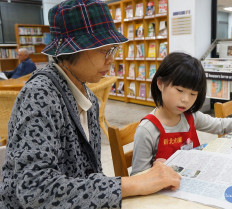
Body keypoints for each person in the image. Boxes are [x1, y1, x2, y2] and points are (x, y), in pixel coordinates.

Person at [0, 1, 180, 208]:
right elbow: (35, 190)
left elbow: (90, 175)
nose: (111, 60)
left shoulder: (88, 97)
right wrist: (132, 183)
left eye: (113, 49)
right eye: (104, 50)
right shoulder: (39, 95)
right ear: (72, 51)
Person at [131, 52, 232, 175]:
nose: (185, 100)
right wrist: (156, 171)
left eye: (193, 94)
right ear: (160, 83)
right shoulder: (147, 130)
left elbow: (220, 125)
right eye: (179, 90)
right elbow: (138, 177)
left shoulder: (190, 116)